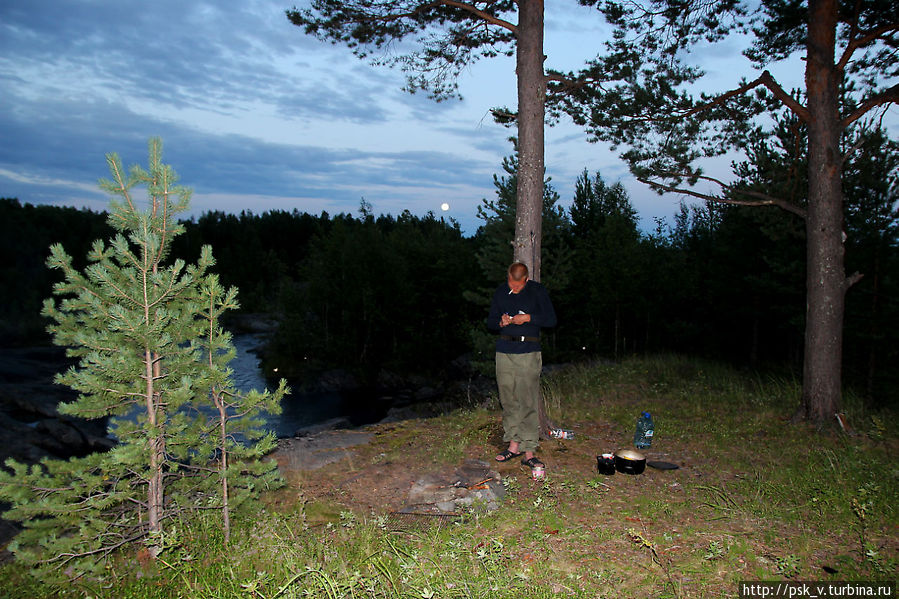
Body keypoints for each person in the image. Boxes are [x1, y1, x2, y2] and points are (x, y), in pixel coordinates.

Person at [487, 262, 557, 471]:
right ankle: (513, 445)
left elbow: (551, 320)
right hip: (504, 351)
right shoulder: (501, 292)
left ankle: (529, 452)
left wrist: (528, 318)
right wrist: (500, 322)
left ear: (526, 280)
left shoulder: (537, 291)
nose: (514, 287)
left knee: (527, 401)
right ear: (508, 277)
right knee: (508, 399)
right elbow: (489, 323)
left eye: (518, 285)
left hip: (528, 351)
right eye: (511, 282)